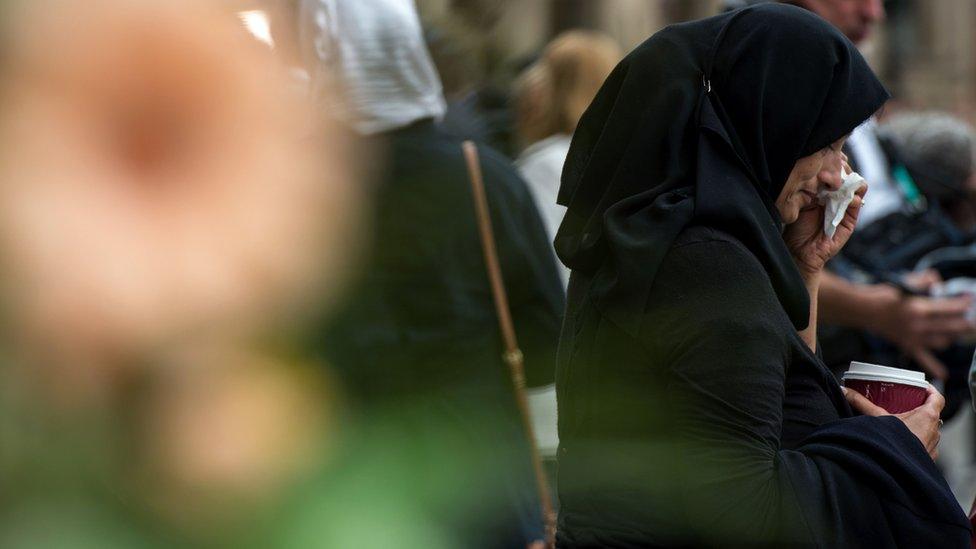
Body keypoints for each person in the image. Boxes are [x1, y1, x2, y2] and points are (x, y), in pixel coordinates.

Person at [555, 4, 969, 547]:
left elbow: (776, 402)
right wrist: (894, 451)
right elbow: (747, 510)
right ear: (766, 120)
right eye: (824, 142)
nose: (834, 176)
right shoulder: (706, 266)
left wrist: (806, 268)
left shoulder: (661, 234)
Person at [297, 1, 564, 547]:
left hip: (342, 479)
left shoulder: (292, 188)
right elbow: (546, 339)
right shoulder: (482, 174)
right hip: (479, 467)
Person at [783, 0, 976, 379]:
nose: (875, 13)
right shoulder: (779, 83)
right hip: (850, 342)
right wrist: (879, 308)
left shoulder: (847, 79)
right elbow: (779, 260)